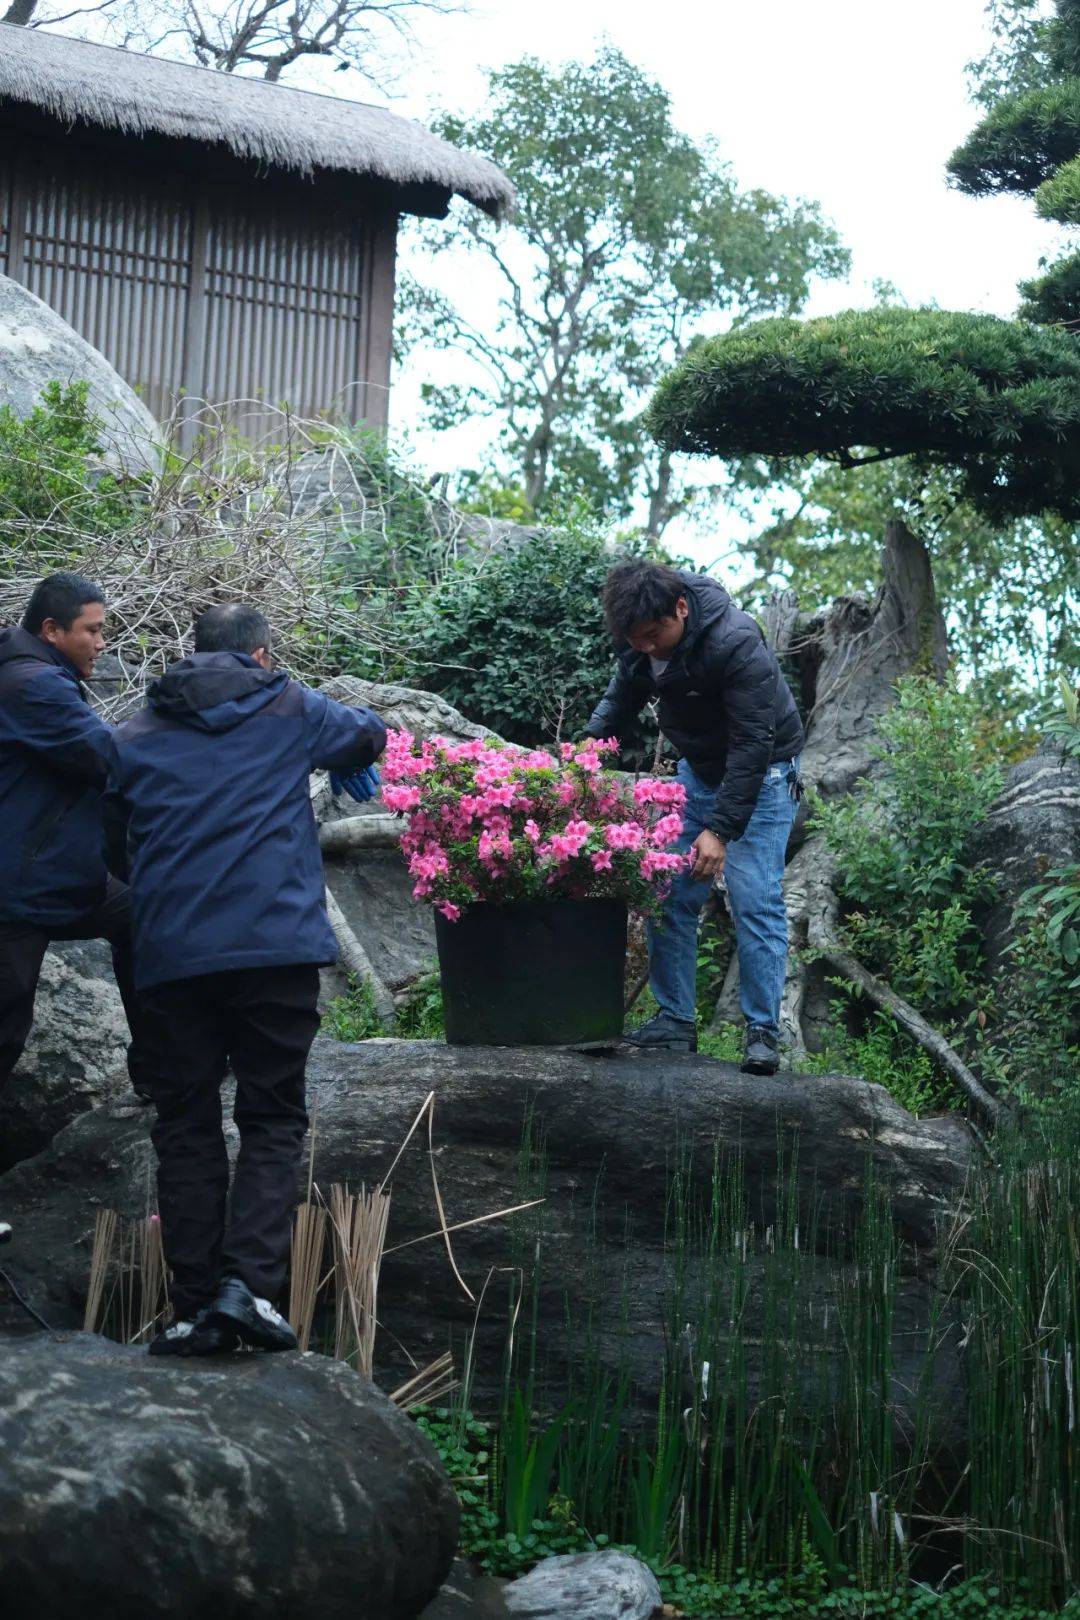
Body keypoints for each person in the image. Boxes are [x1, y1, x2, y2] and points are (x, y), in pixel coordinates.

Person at [104, 604, 387, 1357]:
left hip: (169, 958)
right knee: (271, 1116)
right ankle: (250, 1289)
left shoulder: (133, 733)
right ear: (261, 656)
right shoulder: (288, 703)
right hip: (273, 947)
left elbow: (111, 837)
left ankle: (196, 1308)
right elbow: (368, 734)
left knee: (185, 1126)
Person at [583, 560, 805, 1073]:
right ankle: (675, 1022)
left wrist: (720, 831)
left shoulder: (736, 641)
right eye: (634, 639)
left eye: (653, 635)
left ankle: (762, 1033)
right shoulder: (637, 638)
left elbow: (754, 743)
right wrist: (588, 746)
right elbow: (624, 691)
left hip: (765, 773)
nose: (645, 647)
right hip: (699, 771)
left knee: (755, 899)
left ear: (680, 609)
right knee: (665, 892)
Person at [0, 572, 152, 1106]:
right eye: (93, 630)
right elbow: (108, 758)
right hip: (16, 890)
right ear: (51, 630)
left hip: (57, 878)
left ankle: (159, 1070)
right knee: (5, 1026)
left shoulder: (34, 675)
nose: (103, 642)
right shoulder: (32, 686)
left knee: (140, 916)